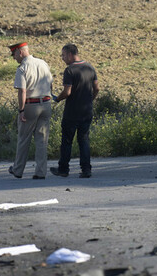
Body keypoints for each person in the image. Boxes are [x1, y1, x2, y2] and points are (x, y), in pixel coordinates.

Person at [50, 44, 100, 178]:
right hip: (86, 111)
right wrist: (90, 100)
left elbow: (67, 91)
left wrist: (57, 99)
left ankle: (63, 169)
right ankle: (86, 169)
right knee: (83, 140)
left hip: (72, 112)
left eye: (64, 55)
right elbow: (97, 89)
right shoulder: (90, 67)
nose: (62, 58)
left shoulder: (70, 70)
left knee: (67, 141)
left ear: (71, 54)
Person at [8, 42, 53, 179]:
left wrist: (21, 110)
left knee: (23, 139)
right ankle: (40, 172)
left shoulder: (22, 68)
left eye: (14, 54)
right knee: (42, 140)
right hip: (46, 103)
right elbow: (50, 83)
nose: (14, 58)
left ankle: (18, 170)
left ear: (20, 52)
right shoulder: (43, 63)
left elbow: (22, 91)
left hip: (30, 105)